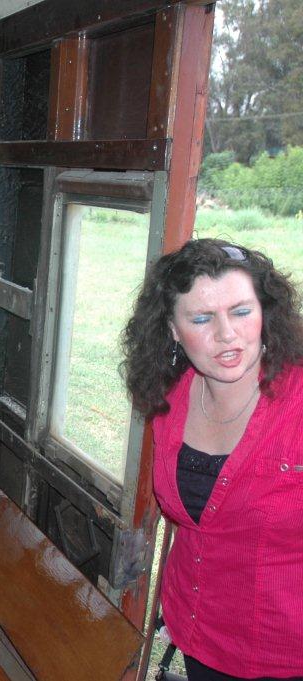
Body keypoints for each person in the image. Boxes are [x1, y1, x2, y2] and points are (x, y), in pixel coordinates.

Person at [122, 239, 303, 681]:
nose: (227, 334)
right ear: (171, 328)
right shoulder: (172, 395)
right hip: (200, 637)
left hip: (287, 653)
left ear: (266, 313)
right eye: (202, 318)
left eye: (241, 311)